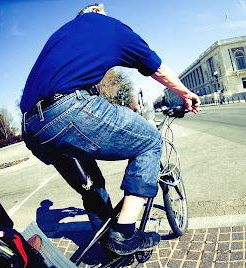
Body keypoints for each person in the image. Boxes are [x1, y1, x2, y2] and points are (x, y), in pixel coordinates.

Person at [20, 3, 200, 256]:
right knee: (149, 141)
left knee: (91, 187)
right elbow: (155, 67)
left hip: (32, 128)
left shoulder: (61, 35)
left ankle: (111, 250)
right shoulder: (108, 26)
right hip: (66, 111)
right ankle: (124, 234)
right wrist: (185, 93)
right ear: (95, 12)